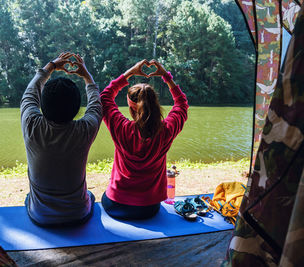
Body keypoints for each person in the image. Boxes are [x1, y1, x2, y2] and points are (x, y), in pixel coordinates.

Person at [100, 59, 189, 220]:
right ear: (155, 104)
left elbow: (105, 97)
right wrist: (166, 77)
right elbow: (182, 105)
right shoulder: (166, 131)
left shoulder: (121, 127)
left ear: (132, 109)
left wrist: (131, 72)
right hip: (148, 208)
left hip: (116, 205)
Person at [20, 52, 102, 227]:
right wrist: (86, 75)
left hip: (40, 216)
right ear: (76, 108)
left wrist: (51, 66)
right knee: (91, 196)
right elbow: (95, 104)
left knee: (28, 197)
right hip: (78, 214)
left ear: (43, 104)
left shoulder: (31, 124)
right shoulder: (85, 130)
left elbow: (30, 92)